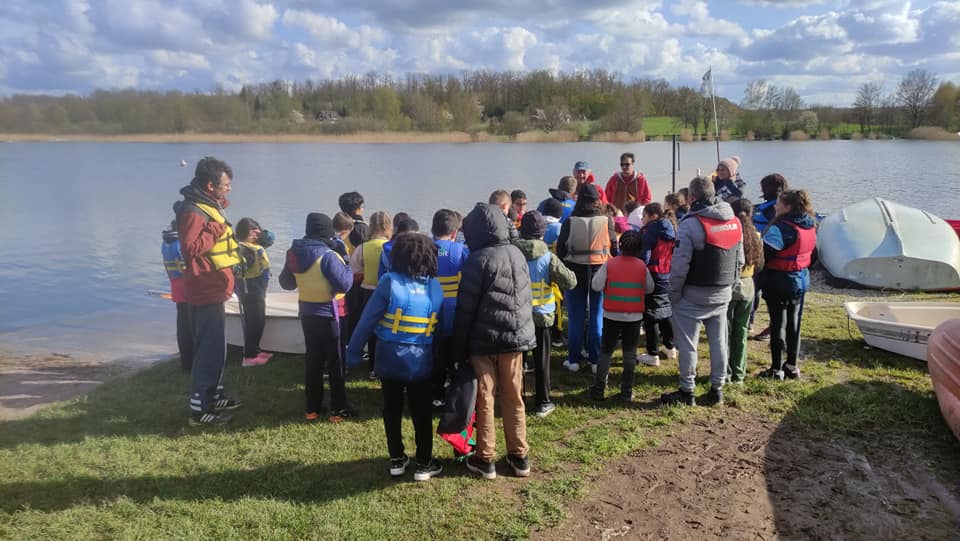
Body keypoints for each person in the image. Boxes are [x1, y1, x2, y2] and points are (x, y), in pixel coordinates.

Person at [346, 233, 445, 481]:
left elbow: (367, 320)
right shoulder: (435, 287)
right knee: (422, 412)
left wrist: (353, 352)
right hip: (421, 361)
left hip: (389, 359)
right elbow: (441, 328)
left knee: (391, 408)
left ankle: (397, 460)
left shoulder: (389, 282)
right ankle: (424, 463)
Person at [455, 202, 537, 480]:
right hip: (515, 338)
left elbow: (465, 309)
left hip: (483, 341)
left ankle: (485, 457)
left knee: (485, 398)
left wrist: (458, 347)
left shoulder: (477, 260)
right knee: (514, 397)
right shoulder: (517, 254)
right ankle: (519, 456)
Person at [661, 176, 743, 407]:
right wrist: (730, 287)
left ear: (691, 198)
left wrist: (673, 295)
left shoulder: (690, 225)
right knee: (719, 342)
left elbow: (679, 267)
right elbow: (739, 261)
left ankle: (687, 390)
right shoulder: (734, 221)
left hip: (692, 296)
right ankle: (717, 389)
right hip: (722, 293)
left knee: (688, 345)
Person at [174, 156, 243, 425]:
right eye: (225, 185)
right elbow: (190, 248)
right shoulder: (193, 211)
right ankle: (199, 410)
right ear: (210, 185)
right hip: (204, 289)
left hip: (215, 288)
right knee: (208, 349)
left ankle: (214, 395)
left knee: (217, 348)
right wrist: (215, 227)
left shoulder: (209, 205)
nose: (229, 188)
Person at [279, 213, 354, 421]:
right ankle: (339, 410)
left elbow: (287, 283)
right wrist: (345, 260)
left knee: (313, 360)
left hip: (307, 314)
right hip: (331, 315)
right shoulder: (329, 255)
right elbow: (345, 284)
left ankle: (312, 409)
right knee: (336, 363)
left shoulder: (293, 253)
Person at [516, 211, 577, 417]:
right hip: (542, 316)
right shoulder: (549, 257)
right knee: (542, 360)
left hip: (518, 315)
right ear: (542, 233)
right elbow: (570, 282)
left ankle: (517, 400)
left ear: (521, 232)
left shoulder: (513, 255)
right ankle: (543, 401)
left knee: (518, 361)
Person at [556, 184, 618, 373]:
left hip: (575, 273)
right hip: (600, 272)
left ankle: (573, 360)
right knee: (597, 315)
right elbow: (614, 248)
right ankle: (595, 360)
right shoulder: (606, 221)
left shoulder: (570, 221)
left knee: (576, 317)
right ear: (598, 200)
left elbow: (561, 250)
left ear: (579, 198)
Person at [758, 189, 816, 381]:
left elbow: (764, 256)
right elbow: (813, 255)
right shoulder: (810, 225)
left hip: (779, 281)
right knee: (794, 323)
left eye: (779, 203)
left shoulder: (781, 229)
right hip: (800, 279)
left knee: (778, 325)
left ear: (788, 207)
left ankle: (776, 369)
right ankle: (792, 366)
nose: (775, 206)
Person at [590, 230, 653, 402]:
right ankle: (626, 392)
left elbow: (596, 285)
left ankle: (599, 390)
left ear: (620, 246)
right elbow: (650, 288)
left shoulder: (610, 264)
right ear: (639, 248)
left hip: (611, 315)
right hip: (633, 317)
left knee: (606, 351)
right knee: (630, 354)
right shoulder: (641, 266)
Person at [431, 209, 470, 406]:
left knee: (435, 354)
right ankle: (455, 396)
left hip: (431, 310)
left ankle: (436, 395)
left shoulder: (425, 249)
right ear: (455, 232)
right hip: (455, 311)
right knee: (456, 354)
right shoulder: (461, 251)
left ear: (432, 230)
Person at [349, 211, 392, 376]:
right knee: (386, 327)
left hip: (368, 292)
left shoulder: (362, 248)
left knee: (370, 328)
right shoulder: (392, 246)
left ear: (371, 226)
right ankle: (384, 364)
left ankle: (372, 367)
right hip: (388, 292)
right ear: (389, 227)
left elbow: (354, 272)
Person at [727, 199, 764, 384]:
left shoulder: (730, 234)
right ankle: (739, 373)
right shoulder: (756, 235)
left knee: (725, 331)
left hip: (730, 285)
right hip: (748, 285)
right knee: (741, 332)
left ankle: (725, 372)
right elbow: (760, 264)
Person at [637, 203, 677, 367]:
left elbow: (645, 256)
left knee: (651, 314)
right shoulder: (671, 228)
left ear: (653, 216)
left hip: (652, 275)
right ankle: (670, 347)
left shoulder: (650, 231)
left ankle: (652, 353)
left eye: (644, 216)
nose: (642, 220)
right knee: (666, 311)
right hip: (667, 274)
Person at [750, 174, 788, 340]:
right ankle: (750, 321)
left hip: (767, 256)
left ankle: (773, 328)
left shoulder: (774, 210)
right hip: (760, 253)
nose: (762, 191)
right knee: (755, 290)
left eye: (764, 187)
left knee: (762, 292)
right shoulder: (767, 206)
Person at [235, 217, 273, 367]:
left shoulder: (256, 245)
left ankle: (256, 350)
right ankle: (249, 357)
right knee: (254, 322)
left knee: (259, 320)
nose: (255, 234)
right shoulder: (244, 248)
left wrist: (262, 233)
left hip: (258, 289)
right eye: (252, 230)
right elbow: (241, 267)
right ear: (243, 232)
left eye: (257, 230)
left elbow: (270, 239)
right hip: (250, 290)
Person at [161, 220, 193, 371]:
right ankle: (192, 361)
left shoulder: (166, 243)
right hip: (189, 288)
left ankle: (185, 361)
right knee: (191, 326)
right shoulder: (182, 243)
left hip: (176, 286)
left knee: (182, 325)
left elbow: (167, 268)